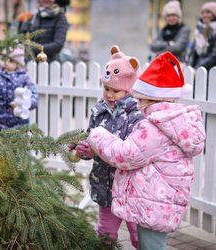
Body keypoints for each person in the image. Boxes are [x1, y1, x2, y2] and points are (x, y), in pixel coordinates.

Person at [85, 51, 205, 250]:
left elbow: (124, 155)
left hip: (153, 202)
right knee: (151, 244)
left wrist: (98, 135)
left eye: (141, 100)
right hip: (164, 200)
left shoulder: (155, 127)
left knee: (151, 246)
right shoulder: (177, 122)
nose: (138, 105)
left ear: (152, 99)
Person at [74, 46, 143, 249]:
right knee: (105, 234)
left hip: (131, 188)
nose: (110, 94)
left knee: (139, 234)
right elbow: (92, 137)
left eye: (116, 90)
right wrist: (87, 151)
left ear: (128, 89)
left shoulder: (136, 115)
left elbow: (135, 150)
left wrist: (103, 150)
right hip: (105, 185)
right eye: (106, 89)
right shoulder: (98, 111)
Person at [0, 46, 39, 130]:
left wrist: (23, 104)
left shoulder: (24, 77)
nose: (6, 63)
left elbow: (34, 96)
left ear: (18, 64)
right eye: (4, 59)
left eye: (11, 61)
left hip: (19, 124)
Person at [187, 2, 216, 70]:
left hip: (211, 70)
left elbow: (214, 55)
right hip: (196, 70)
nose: (204, 15)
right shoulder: (198, 30)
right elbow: (193, 52)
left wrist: (198, 67)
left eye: (208, 12)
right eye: (202, 13)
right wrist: (190, 67)